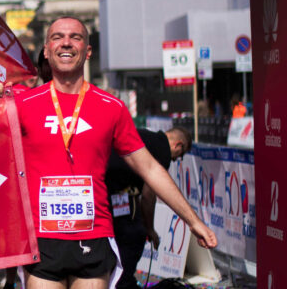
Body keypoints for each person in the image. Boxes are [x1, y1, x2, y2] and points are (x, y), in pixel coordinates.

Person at [16, 17, 216, 289]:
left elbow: (149, 168)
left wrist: (193, 221)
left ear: (87, 51)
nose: (66, 42)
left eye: (75, 37)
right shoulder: (21, 104)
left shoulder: (111, 107)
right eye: (57, 37)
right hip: (42, 238)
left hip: (94, 235)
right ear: (47, 50)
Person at [106, 126, 193, 289]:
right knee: (135, 235)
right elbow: (148, 195)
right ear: (178, 145)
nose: (174, 160)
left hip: (104, 186)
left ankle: (118, 279)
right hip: (113, 192)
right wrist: (150, 229)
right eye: (178, 157)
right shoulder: (162, 151)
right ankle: (122, 282)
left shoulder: (145, 136)